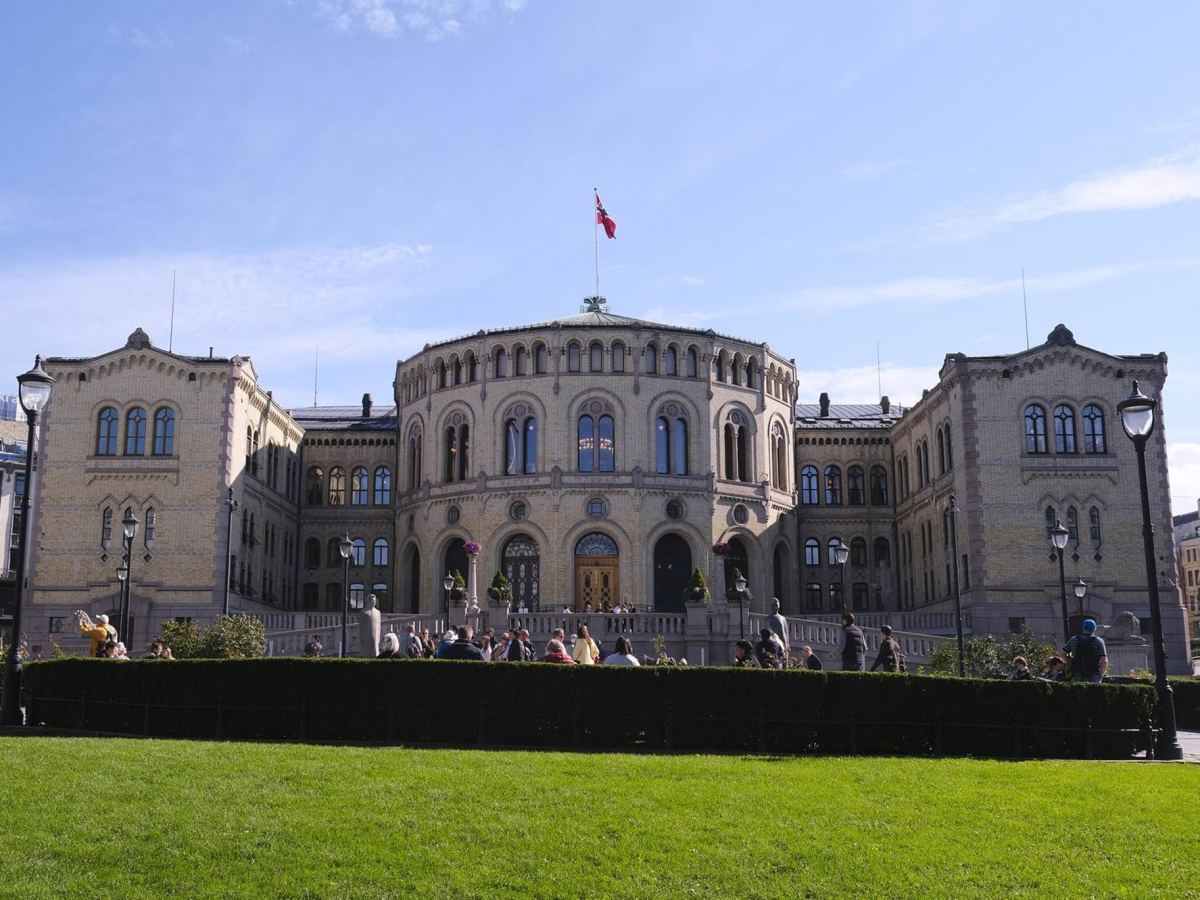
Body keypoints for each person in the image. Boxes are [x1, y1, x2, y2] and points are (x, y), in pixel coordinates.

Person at [1063, 618, 1108, 683]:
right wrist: (1102, 673)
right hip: (1094, 675)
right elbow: (1104, 660)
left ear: (1083, 628)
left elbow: (1062, 654)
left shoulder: (1074, 639)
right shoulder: (1099, 641)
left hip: (1077, 674)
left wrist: (1069, 664)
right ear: (1095, 629)